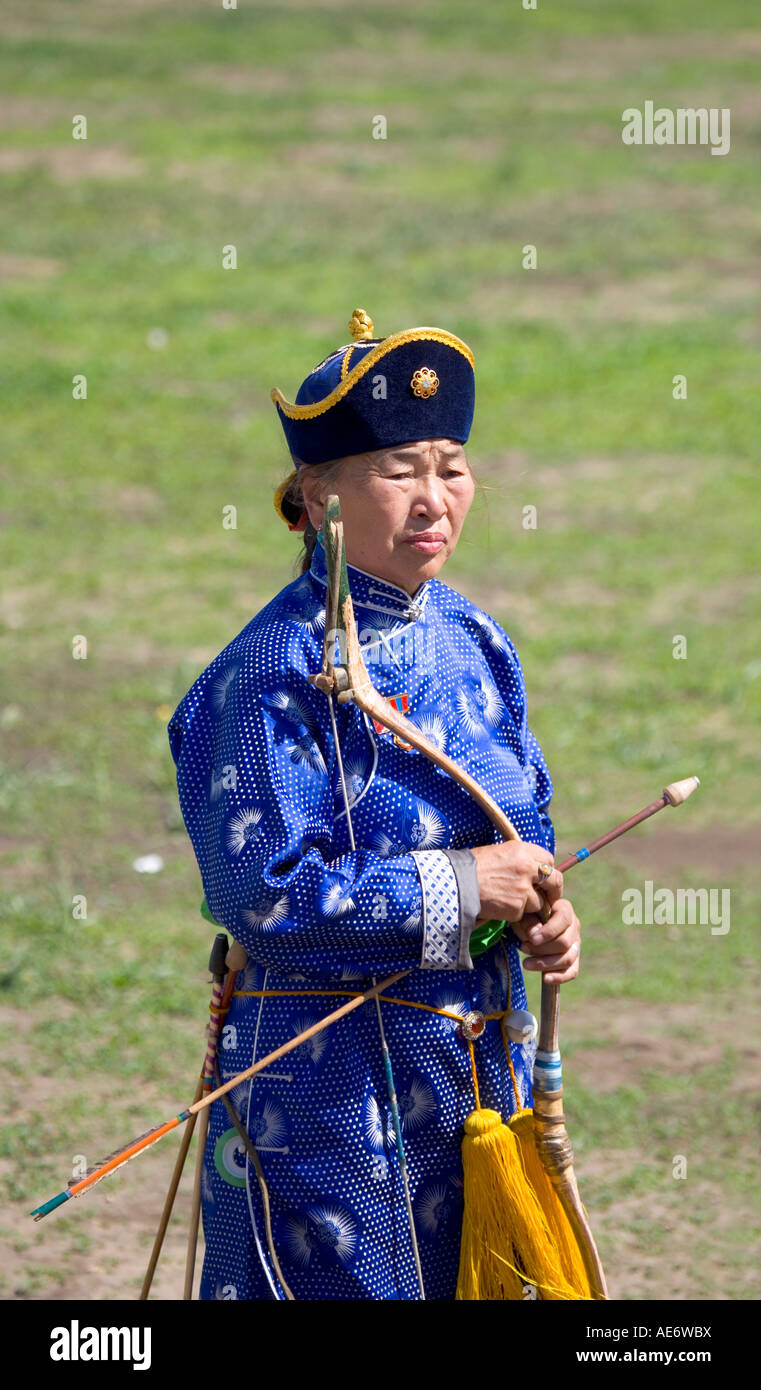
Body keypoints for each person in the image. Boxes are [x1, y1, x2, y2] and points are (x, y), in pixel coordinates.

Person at [168, 308, 581, 1301]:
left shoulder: (476, 642)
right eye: (400, 470)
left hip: (473, 1077)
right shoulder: (269, 674)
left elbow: (524, 825)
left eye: (451, 465)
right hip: (325, 1093)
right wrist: (458, 884)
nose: (434, 498)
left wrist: (538, 907)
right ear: (318, 496)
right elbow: (262, 900)